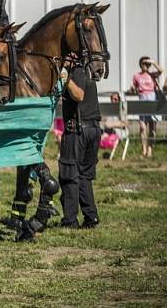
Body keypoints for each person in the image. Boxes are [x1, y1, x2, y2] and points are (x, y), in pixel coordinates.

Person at [59, 60, 102, 229]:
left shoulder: (76, 71)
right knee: (84, 176)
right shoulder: (87, 71)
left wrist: (66, 79)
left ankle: (70, 221)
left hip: (78, 130)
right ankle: (91, 217)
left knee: (70, 174)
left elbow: (78, 95)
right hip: (93, 128)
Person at [128, 56, 163, 158]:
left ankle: (150, 150)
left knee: (152, 128)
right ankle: (143, 150)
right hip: (142, 102)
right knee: (142, 127)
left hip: (153, 102)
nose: (146, 65)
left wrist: (152, 61)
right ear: (140, 64)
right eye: (144, 63)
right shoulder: (136, 76)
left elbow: (161, 70)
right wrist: (132, 90)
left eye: (147, 64)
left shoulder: (152, 75)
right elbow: (134, 88)